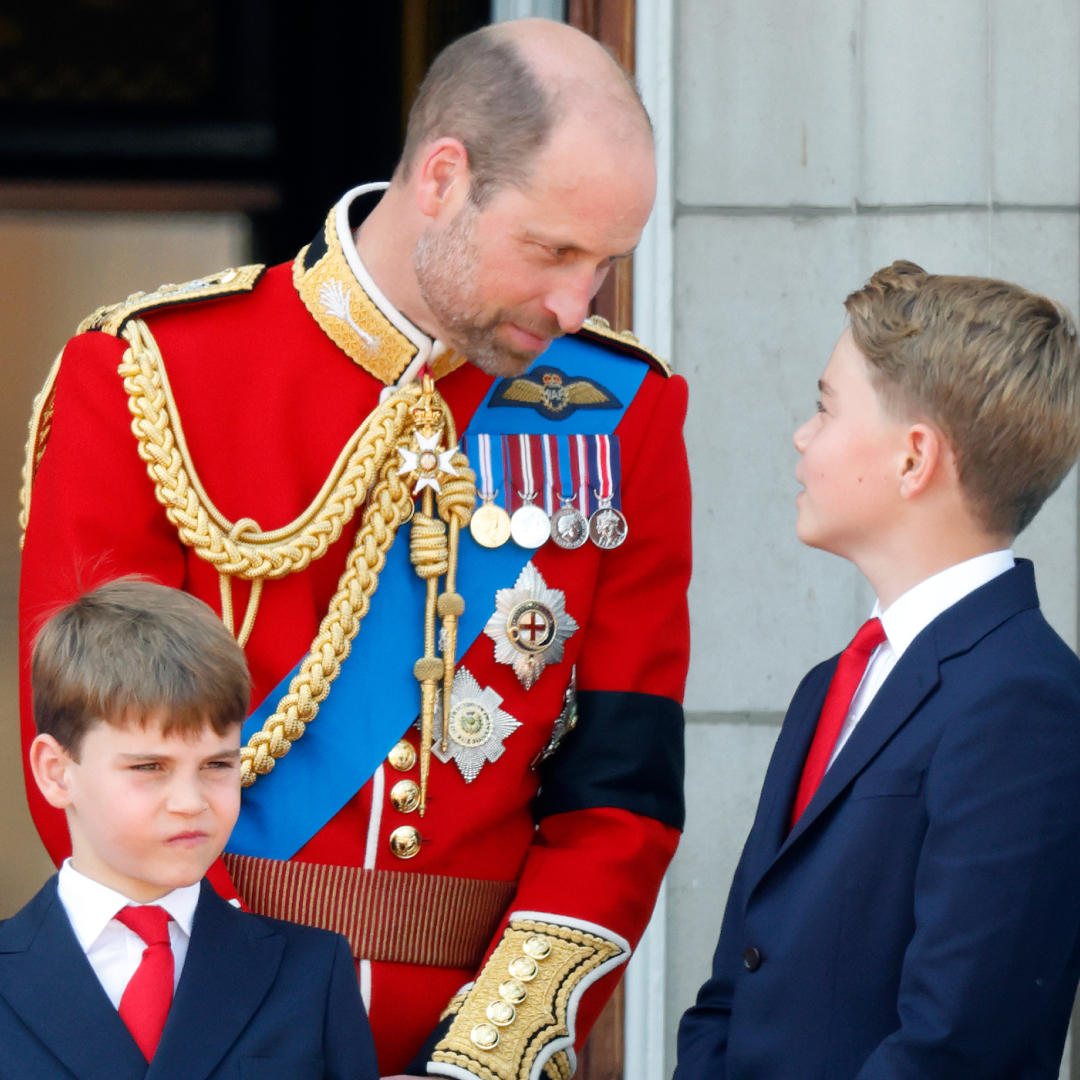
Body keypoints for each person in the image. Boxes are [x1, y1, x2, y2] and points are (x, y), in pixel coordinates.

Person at [17, 18, 691, 1080]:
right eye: (554, 250)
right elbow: (93, 756)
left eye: (606, 265)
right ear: (441, 178)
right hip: (211, 1025)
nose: (577, 304)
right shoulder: (147, 373)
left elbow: (620, 793)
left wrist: (488, 1058)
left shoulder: (617, 415)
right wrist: (246, 1028)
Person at [674, 261, 1080, 1080]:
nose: (802, 433)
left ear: (913, 459)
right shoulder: (833, 684)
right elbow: (733, 991)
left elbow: (961, 1045)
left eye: (825, 406)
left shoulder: (1023, 700)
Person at [2, 580, 378, 1080]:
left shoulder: (312, 971)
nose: (191, 802)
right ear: (56, 771)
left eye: (217, 765)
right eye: (150, 767)